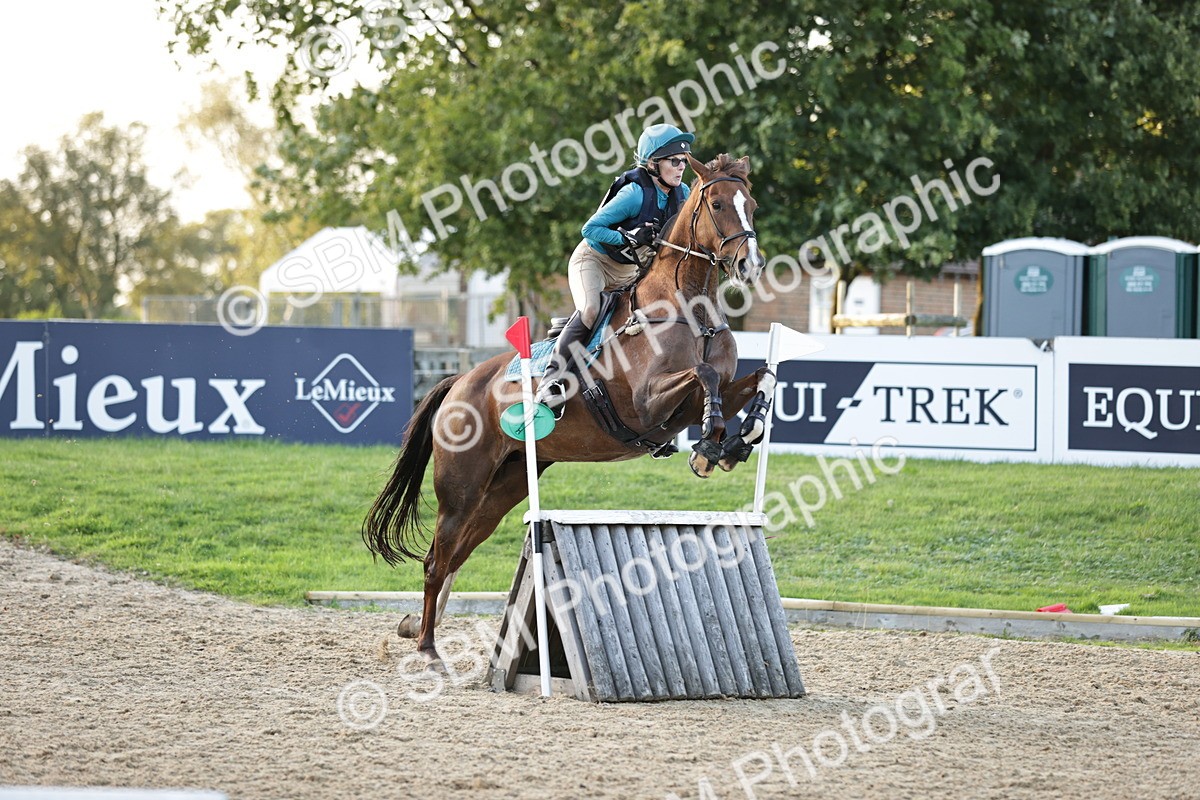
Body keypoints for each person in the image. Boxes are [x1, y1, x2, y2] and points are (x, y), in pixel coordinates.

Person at [534, 123, 695, 414]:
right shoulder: (634, 193)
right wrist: (628, 237)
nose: (681, 166)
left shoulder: (682, 193)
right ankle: (550, 382)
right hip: (594, 262)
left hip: (630, 271)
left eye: (684, 160)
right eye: (674, 160)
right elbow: (590, 228)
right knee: (591, 311)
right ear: (653, 164)